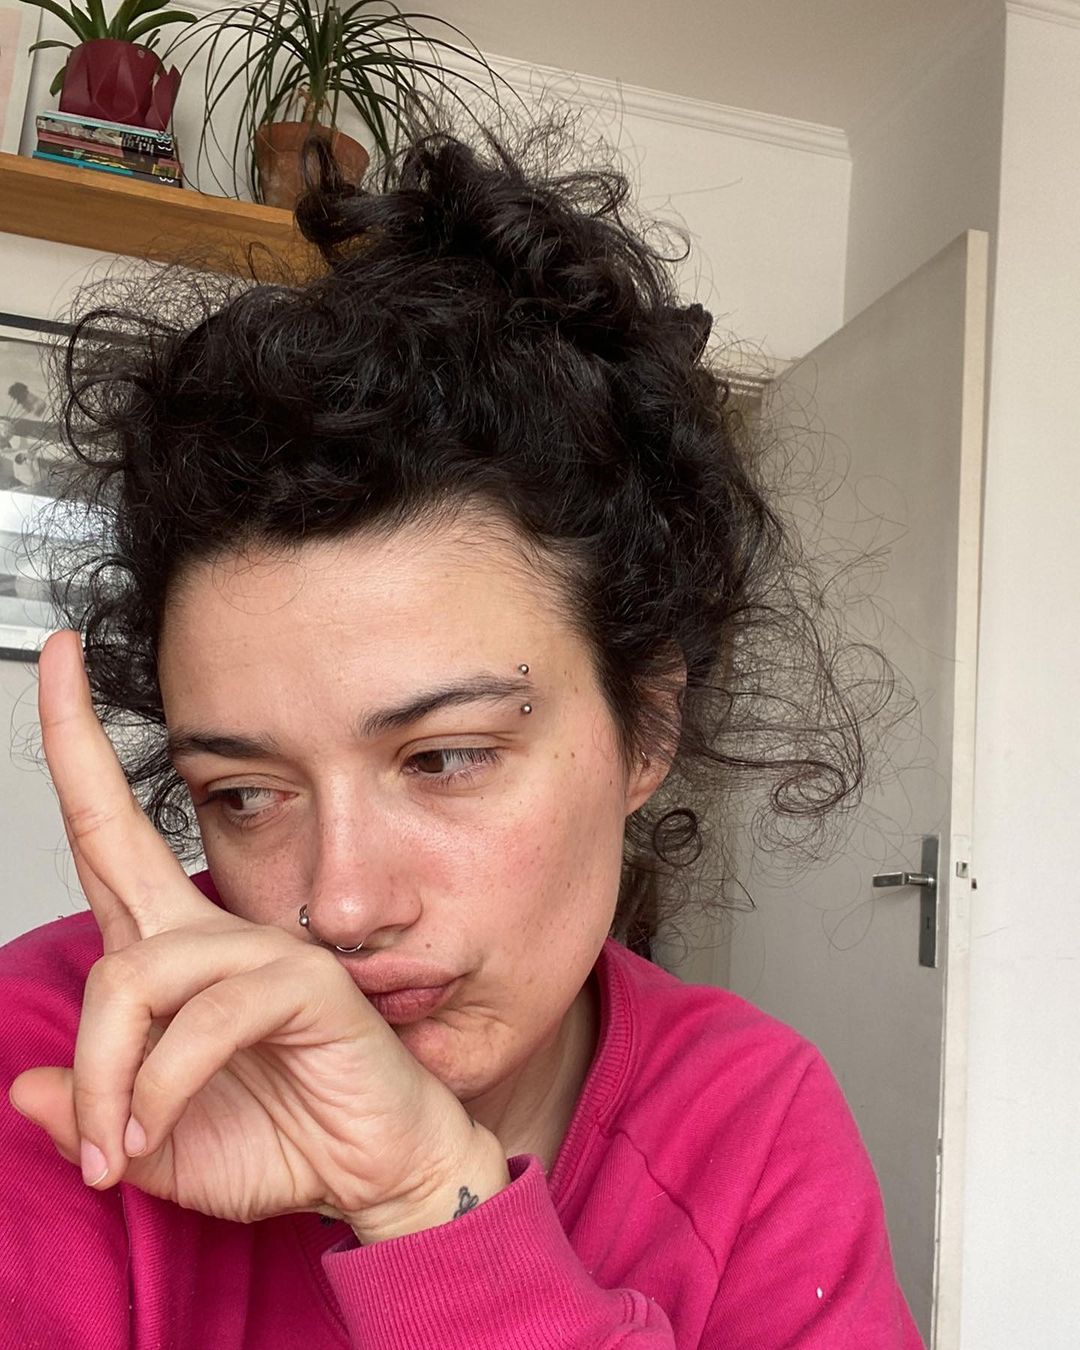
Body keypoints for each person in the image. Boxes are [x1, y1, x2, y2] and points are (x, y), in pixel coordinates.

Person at [0, 113, 924, 1347]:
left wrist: (425, 1209)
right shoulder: (57, 1062)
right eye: (246, 794)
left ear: (647, 728)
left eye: (443, 758)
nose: (341, 906)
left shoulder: (747, 1127)